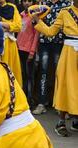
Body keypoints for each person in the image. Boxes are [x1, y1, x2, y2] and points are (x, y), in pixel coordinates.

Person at [32, 0, 78, 136]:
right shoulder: (65, 12)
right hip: (69, 53)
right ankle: (61, 122)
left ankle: (76, 120)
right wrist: (37, 21)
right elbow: (51, 32)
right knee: (65, 85)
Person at [17, 0, 39, 105]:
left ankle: (29, 100)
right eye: (24, 1)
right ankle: (23, 99)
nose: (26, 3)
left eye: (29, 1)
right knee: (22, 76)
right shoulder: (20, 15)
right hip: (19, 49)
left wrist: (32, 51)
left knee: (29, 77)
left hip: (28, 50)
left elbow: (36, 35)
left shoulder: (35, 16)